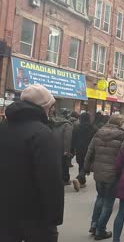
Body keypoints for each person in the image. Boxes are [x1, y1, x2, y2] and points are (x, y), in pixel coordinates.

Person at [0, 84, 63, 242]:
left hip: (5, 211)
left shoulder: (3, 128)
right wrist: (54, 218)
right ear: (43, 107)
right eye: (50, 107)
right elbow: (51, 180)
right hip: (35, 215)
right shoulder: (42, 134)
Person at [84, 114, 124, 240]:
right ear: (119, 123)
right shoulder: (122, 136)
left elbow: (90, 151)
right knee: (108, 202)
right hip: (113, 174)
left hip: (98, 172)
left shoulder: (98, 133)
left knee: (100, 198)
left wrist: (85, 168)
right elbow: (123, 156)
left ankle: (94, 224)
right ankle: (100, 230)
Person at [71, 112, 97, 191]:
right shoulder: (94, 128)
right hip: (90, 149)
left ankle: (82, 182)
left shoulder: (76, 127)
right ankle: (79, 179)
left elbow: (73, 139)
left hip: (79, 149)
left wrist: (72, 149)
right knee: (86, 165)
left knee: (81, 164)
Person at [49, 109, 73, 185]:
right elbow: (67, 138)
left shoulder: (54, 122)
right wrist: (67, 151)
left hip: (53, 146)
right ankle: (65, 180)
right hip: (62, 148)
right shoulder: (67, 124)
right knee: (64, 164)